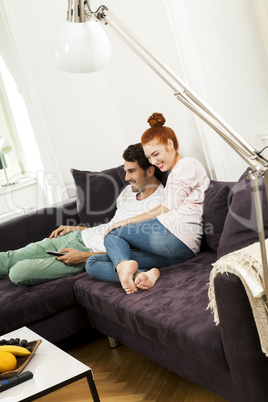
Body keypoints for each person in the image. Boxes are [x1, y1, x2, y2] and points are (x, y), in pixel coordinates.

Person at [0, 143, 164, 286]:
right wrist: (79, 228)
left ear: (150, 171)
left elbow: (137, 252)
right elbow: (112, 225)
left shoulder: (158, 206)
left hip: (87, 253)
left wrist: (84, 257)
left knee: (19, 272)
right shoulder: (128, 192)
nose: (126, 177)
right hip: (80, 236)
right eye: (126, 171)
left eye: (131, 171)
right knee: (7, 258)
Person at [87, 113, 210, 294]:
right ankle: (144, 275)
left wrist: (123, 223)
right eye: (149, 157)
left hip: (176, 234)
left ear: (170, 144)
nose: (153, 161)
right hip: (181, 250)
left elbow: (164, 209)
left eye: (156, 154)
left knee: (113, 234)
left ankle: (124, 268)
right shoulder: (175, 172)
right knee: (93, 263)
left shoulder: (187, 165)